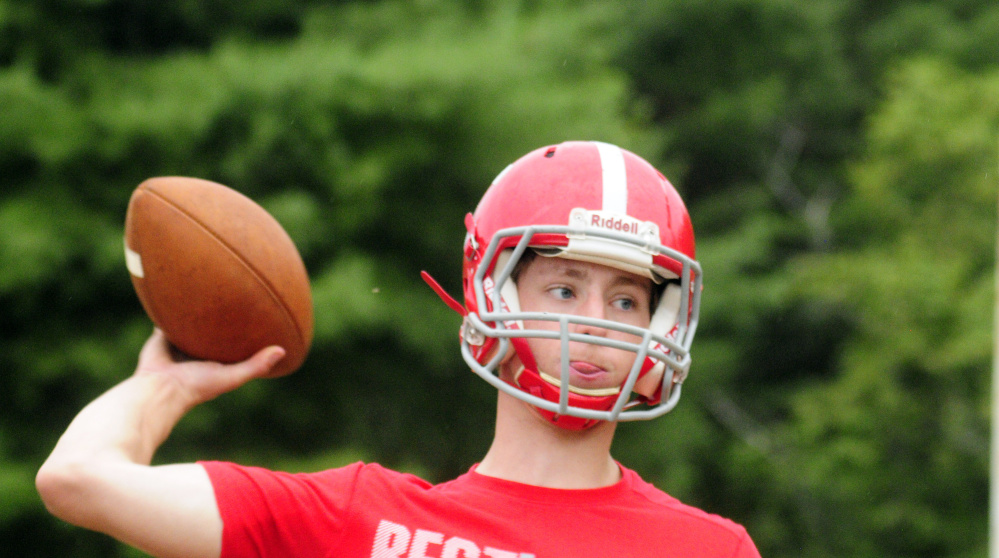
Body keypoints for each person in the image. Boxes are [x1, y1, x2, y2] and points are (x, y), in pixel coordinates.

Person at [37, 141, 761, 558]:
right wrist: (165, 384)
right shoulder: (360, 520)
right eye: (565, 290)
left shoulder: (708, 550)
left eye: (627, 299)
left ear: (660, 325)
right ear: (493, 295)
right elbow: (76, 478)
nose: (597, 322)